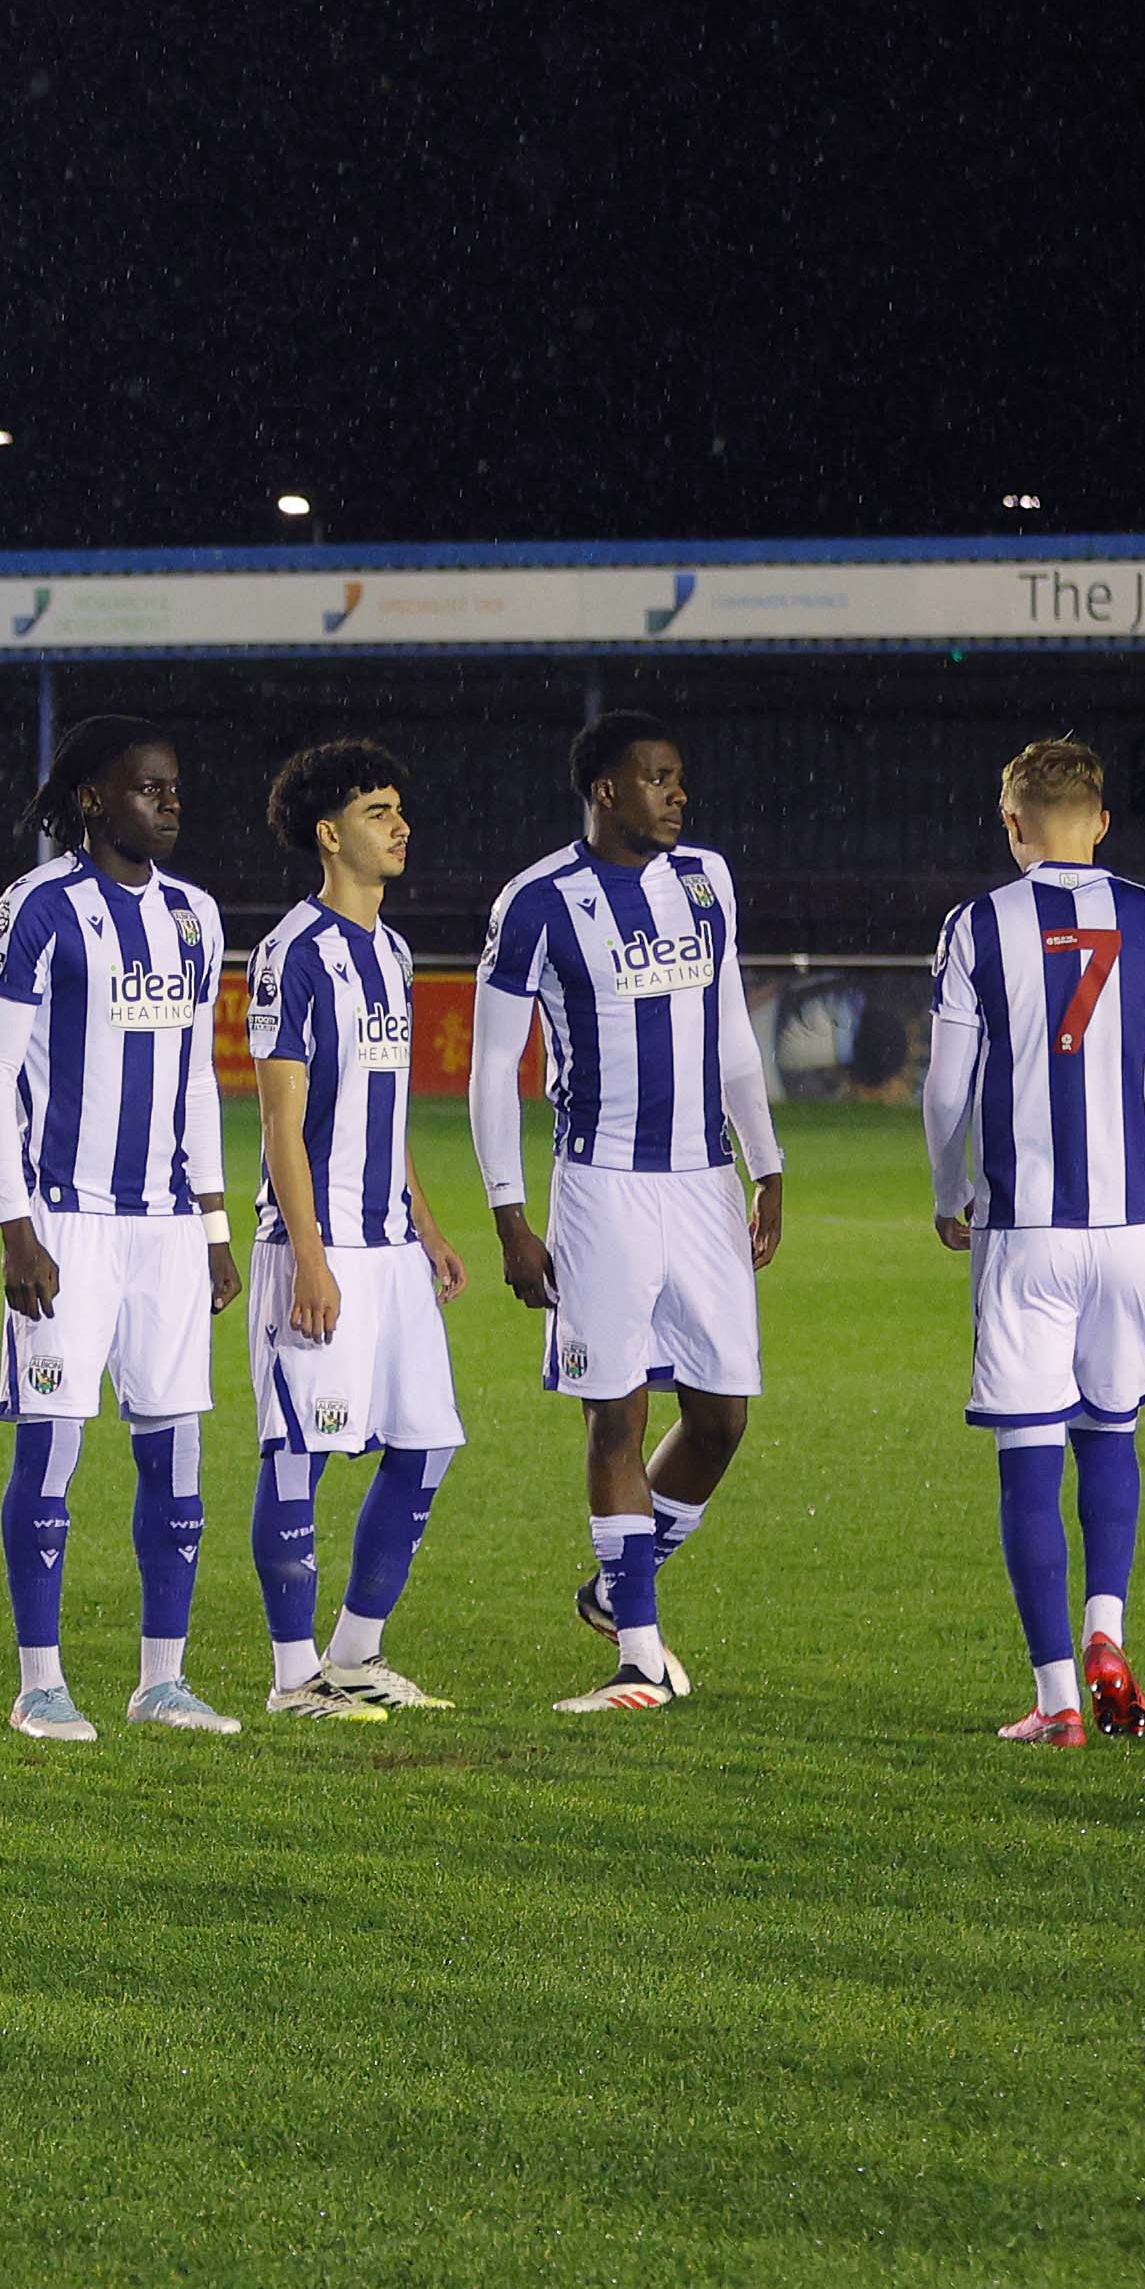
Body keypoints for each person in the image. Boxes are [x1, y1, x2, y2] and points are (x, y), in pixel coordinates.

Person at [921, 736, 1145, 1745]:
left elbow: (942, 1088)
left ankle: (1059, 1697)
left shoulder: (979, 926)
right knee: (1112, 1430)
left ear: (1013, 824)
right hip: (1138, 1228)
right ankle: (1108, 1628)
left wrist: (950, 1188)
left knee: (1027, 1454)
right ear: (1100, 821)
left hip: (1028, 1231)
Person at [474, 712, 783, 1713]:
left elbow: (732, 1029)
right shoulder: (536, 903)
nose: (677, 794)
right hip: (600, 1185)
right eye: (658, 778)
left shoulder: (708, 881)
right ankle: (638, 1656)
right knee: (617, 1413)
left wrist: (766, 1163)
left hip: (703, 1181)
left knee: (724, 1415)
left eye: (679, 778)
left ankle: (617, 1589)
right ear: (607, 789)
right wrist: (511, 1216)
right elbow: (490, 1072)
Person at [0, 718, 241, 1740]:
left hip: (168, 1228)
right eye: (146, 788)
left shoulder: (197, 918)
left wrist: (214, 1219)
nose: (167, 803)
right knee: (53, 1453)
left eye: (173, 788)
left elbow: (198, 1076)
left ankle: (160, 1681)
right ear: (92, 801)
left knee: (176, 1456)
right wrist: (15, 1227)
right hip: (67, 1224)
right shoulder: (37, 910)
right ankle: (40, 1686)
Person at [243, 742, 471, 1721]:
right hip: (322, 1246)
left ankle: (354, 1654)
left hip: (391, 1248)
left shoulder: (393, 951)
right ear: (331, 835)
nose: (401, 824)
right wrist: (310, 1257)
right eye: (379, 811)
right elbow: (281, 1120)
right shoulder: (295, 951)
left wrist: (425, 1223)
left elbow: (386, 1104)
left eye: (399, 807)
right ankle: (293, 1678)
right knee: (298, 1448)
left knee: (426, 1443)